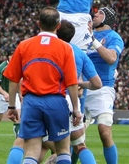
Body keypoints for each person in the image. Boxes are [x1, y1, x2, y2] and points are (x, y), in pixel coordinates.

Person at [3, 6, 82, 164]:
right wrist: (76, 109)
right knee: (63, 150)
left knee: (31, 151)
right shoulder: (65, 48)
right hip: (56, 102)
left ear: (38, 24)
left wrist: (12, 106)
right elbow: (72, 82)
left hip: (31, 102)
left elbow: (13, 79)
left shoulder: (24, 46)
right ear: (58, 26)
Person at [53, 19, 102, 164]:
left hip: (45, 99)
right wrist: (81, 84)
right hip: (70, 102)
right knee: (79, 145)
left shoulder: (49, 48)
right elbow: (97, 84)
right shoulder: (79, 53)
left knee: (35, 147)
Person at [84, 6, 124, 164]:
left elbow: (111, 58)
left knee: (104, 132)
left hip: (103, 89)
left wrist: (93, 40)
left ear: (108, 18)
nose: (95, 14)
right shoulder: (84, 35)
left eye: (100, 13)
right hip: (82, 88)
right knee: (75, 136)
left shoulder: (114, 37)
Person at [0, 58, 21, 152]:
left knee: (18, 119)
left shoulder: (19, 65)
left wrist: (21, 94)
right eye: (13, 55)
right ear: (8, 57)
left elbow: (17, 81)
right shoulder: (2, 67)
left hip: (14, 95)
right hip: (1, 96)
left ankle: (19, 146)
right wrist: (4, 93)